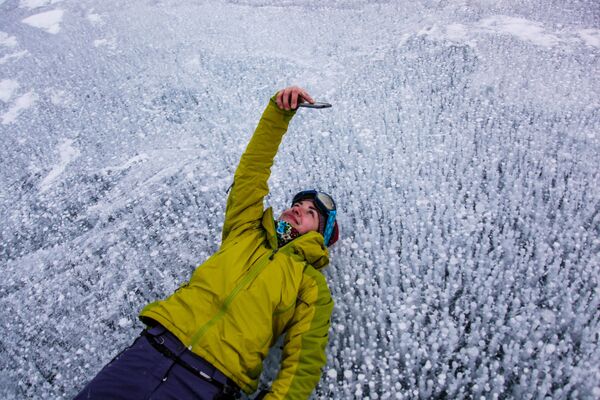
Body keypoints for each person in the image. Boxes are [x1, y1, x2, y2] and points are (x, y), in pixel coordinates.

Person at [75, 86, 339, 400]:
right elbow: (251, 173)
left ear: (319, 238)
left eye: (312, 213)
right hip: (148, 352)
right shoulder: (246, 230)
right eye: (298, 204)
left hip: (207, 386)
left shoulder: (310, 286)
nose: (300, 209)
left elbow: (302, 365)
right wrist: (278, 114)